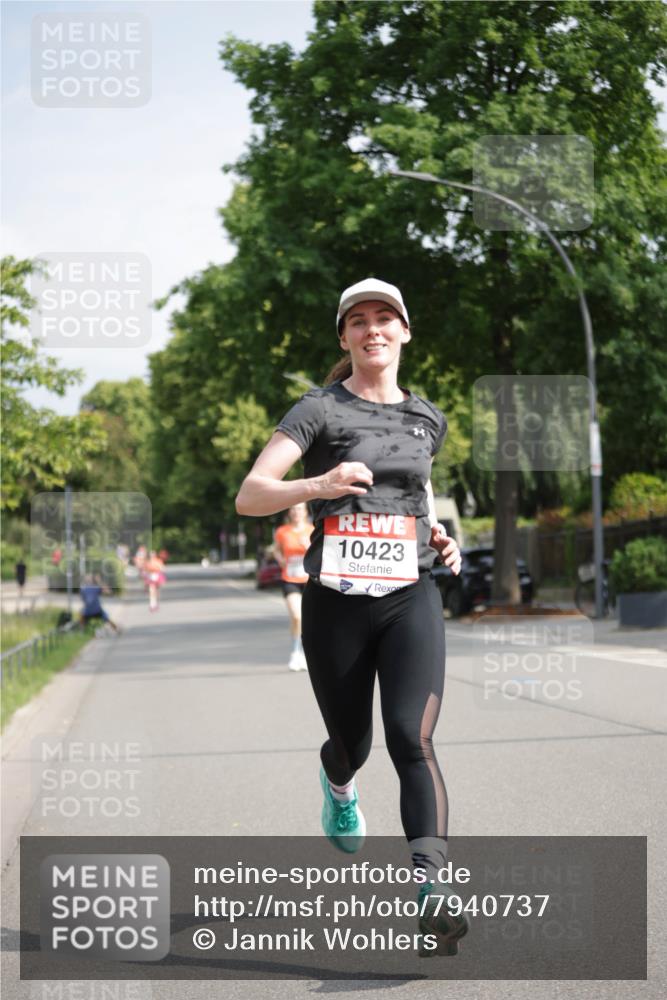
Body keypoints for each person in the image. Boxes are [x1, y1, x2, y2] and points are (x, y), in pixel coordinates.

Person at [236, 278, 467, 956]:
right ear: (344, 337)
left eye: (385, 318)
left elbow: (415, 495)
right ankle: (337, 781)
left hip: (410, 593)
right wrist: (320, 484)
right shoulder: (316, 409)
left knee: (410, 737)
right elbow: (251, 495)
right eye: (358, 320)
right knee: (354, 743)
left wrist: (435, 536)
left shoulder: (427, 417)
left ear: (403, 331)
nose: (373, 329)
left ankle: (432, 890)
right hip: (335, 599)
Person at [273, 503, 314, 671]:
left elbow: (321, 552)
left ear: (305, 512)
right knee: (297, 617)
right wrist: (279, 558)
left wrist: (307, 547)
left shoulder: (312, 530)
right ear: (289, 512)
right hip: (290, 579)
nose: (296, 512)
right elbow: (275, 550)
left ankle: (304, 654)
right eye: (293, 509)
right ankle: (296, 653)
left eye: (300, 509)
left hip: (309, 580)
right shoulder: (283, 531)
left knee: (309, 621)